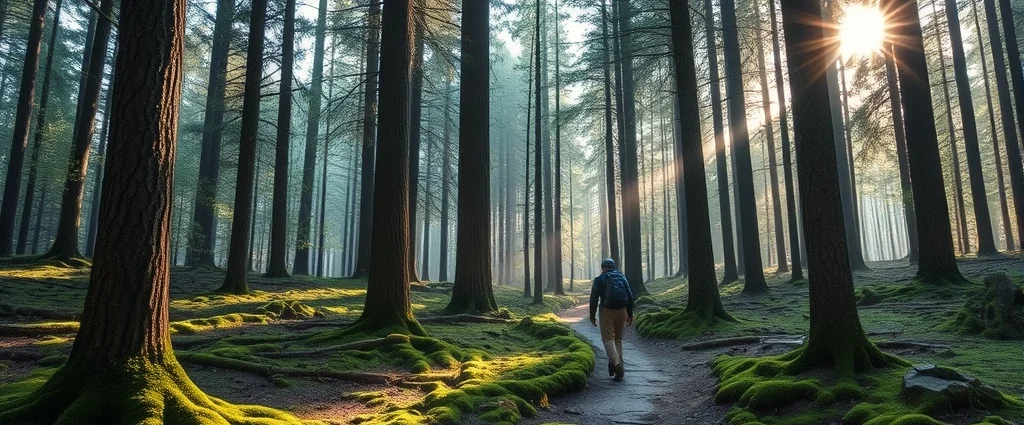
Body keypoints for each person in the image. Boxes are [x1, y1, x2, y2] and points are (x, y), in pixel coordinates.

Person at [589, 258, 634, 381]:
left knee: (608, 339)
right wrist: (630, 314)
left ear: (602, 267)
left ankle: (617, 364)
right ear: (614, 267)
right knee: (618, 339)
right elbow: (630, 296)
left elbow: (593, 298)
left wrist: (592, 316)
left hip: (606, 311)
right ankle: (618, 368)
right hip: (622, 311)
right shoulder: (622, 277)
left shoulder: (599, 279)